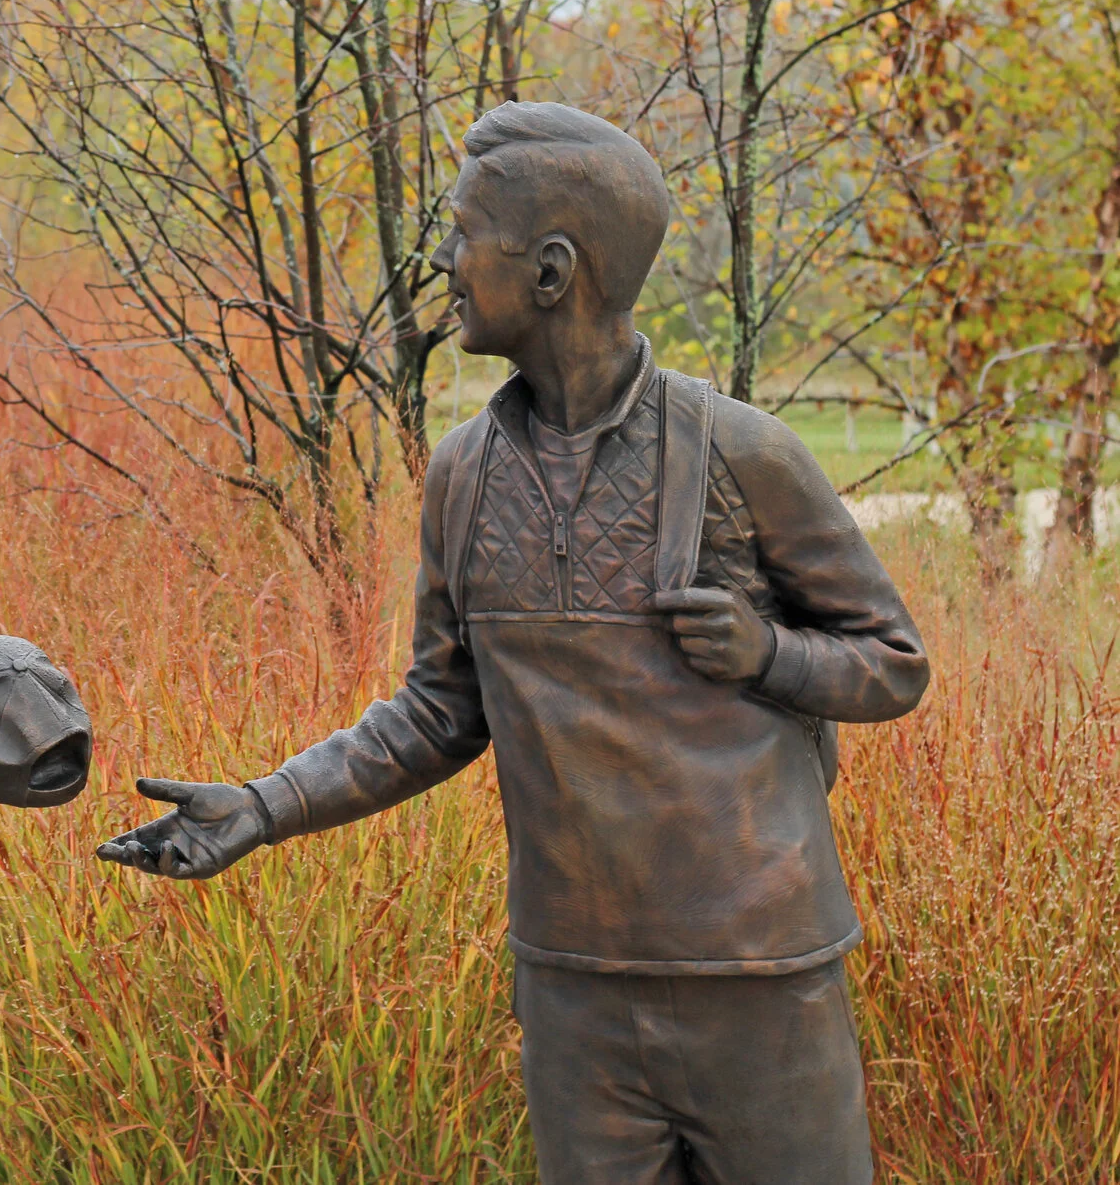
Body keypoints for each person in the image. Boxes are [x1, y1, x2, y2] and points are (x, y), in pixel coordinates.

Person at [98, 102, 929, 1185]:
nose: (440, 262)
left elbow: (892, 658)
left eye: (459, 234)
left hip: (755, 974)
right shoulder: (462, 473)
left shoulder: (740, 450)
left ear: (548, 271)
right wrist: (264, 803)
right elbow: (438, 712)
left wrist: (768, 655)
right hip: (572, 985)